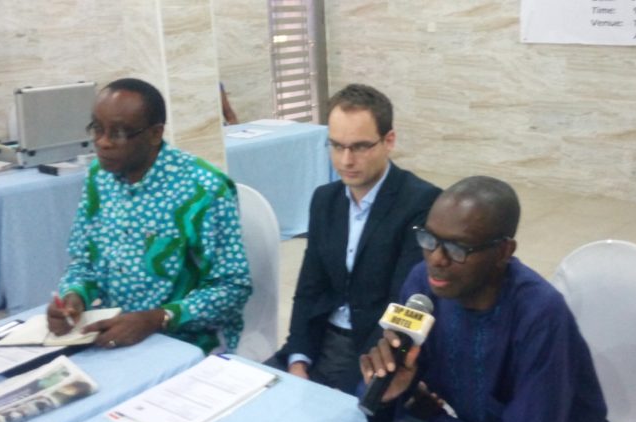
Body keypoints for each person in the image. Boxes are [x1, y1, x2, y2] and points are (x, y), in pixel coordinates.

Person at [360, 176, 617, 422]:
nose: (436, 258)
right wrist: (386, 393)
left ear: (504, 251)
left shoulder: (540, 314)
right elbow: (404, 402)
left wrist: (437, 421)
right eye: (429, 239)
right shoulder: (425, 285)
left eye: (457, 248)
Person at [47, 78, 252, 354]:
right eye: (97, 129)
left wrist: (157, 319)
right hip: (110, 331)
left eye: (118, 133)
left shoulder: (203, 190)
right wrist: (73, 298)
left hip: (186, 340)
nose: (103, 143)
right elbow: (83, 262)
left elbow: (232, 288)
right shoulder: (99, 177)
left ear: (155, 134)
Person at [268, 84, 441, 393]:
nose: (345, 160)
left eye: (360, 147)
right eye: (336, 146)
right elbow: (309, 289)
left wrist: (369, 368)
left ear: (389, 141)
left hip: (375, 348)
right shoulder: (325, 200)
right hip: (321, 337)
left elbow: (404, 303)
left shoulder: (421, 203)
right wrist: (298, 358)